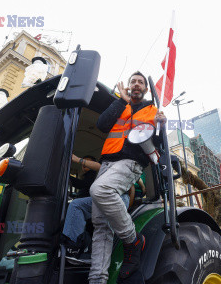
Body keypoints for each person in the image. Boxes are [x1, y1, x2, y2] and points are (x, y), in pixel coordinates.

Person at [88, 71, 166, 283]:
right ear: (129, 86)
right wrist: (120, 101)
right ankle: (97, 279)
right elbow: (103, 125)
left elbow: (158, 144)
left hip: (131, 162)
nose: (137, 84)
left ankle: (132, 240)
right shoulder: (120, 104)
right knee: (101, 225)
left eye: (141, 82)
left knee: (99, 190)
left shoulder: (153, 110)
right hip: (107, 163)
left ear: (146, 89)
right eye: (133, 82)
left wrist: (162, 124)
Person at [62, 155, 131, 264]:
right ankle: (77, 247)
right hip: (105, 197)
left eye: (88, 163)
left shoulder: (111, 165)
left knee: (77, 207)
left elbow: (101, 167)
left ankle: (75, 248)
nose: (84, 165)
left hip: (115, 197)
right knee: (76, 207)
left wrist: (77, 160)